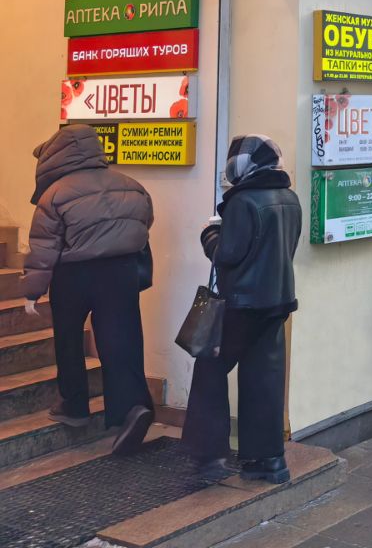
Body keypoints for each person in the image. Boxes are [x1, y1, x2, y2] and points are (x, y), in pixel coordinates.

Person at [23, 125, 154, 455]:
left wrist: (32, 290)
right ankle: (131, 409)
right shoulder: (132, 186)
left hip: (74, 274)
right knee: (121, 341)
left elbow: (44, 247)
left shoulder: (56, 193)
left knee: (68, 337)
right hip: (122, 272)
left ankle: (74, 406)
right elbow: (143, 225)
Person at [182, 135, 301, 484]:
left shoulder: (242, 201)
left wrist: (209, 234)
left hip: (240, 305)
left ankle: (209, 458)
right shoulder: (289, 198)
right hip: (277, 301)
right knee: (263, 378)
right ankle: (269, 461)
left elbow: (228, 255)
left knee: (209, 370)